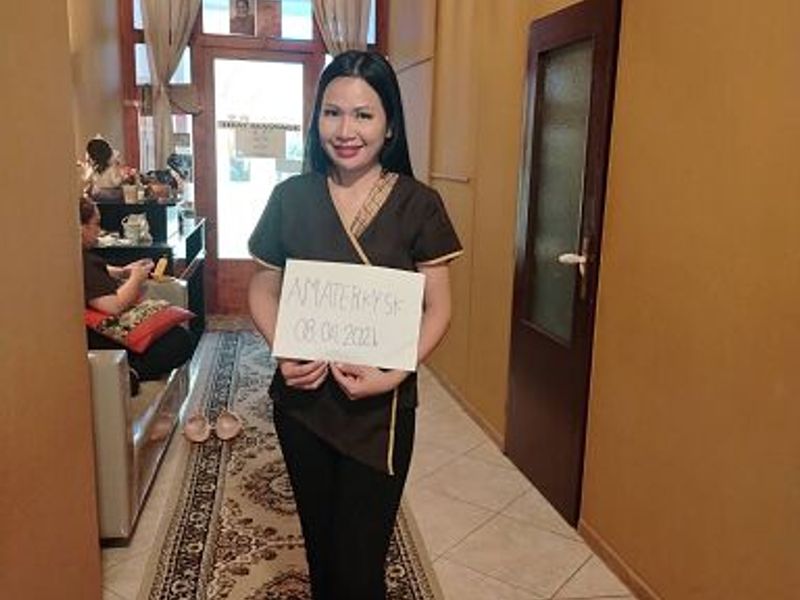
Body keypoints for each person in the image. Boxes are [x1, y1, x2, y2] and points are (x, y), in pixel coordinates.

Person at [247, 51, 462, 599]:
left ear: (389, 125)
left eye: (364, 115)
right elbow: (263, 288)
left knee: (360, 565)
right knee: (321, 552)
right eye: (332, 112)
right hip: (303, 402)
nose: (346, 131)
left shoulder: (419, 204)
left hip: (381, 410)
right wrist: (283, 349)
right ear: (316, 118)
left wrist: (396, 373)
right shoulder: (290, 198)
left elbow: (438, 307)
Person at [79, 197, 193, 390]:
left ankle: (134, 371)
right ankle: (135, 372)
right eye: (96, 224)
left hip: (102, 333)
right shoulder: (84, 262)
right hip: (105, 335)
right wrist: (136, 279)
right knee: (180, 340)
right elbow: (113, 306)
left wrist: (124, 271)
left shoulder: (81, 258)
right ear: (81, 227)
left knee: (176, 337)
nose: (99, 230)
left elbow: (102, 271)